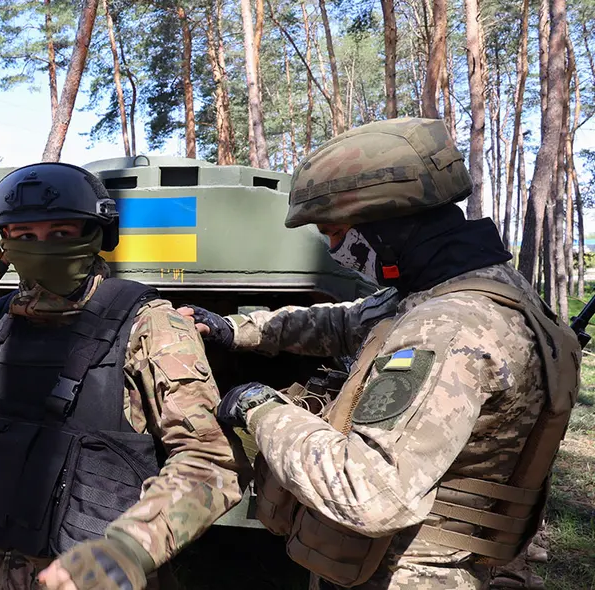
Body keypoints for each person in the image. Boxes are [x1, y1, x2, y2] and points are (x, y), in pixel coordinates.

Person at [180, 117, 581, 590]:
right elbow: (348, 321)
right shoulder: (476, 290)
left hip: (413, 574)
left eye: (335, 231)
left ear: (389, 225)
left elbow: (366, 491)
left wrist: (260, 408)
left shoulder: (446, 329)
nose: (333, 249)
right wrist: (234, 330)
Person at [0, 162, 242, 590]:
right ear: (3, 244)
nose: (43, 249)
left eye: (61, 234)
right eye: (24, 237)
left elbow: (210, 464)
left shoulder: (150, 326)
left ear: (98, 235)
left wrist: (127, 550)